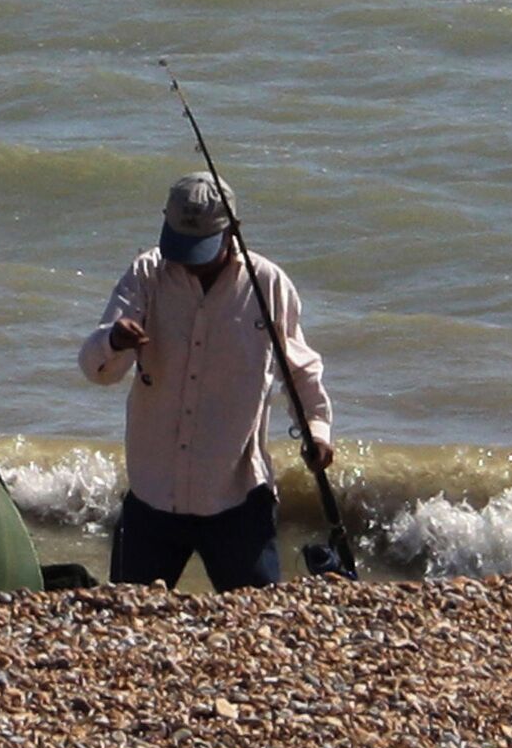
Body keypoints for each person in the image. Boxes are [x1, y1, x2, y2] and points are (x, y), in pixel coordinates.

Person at [76, 171, 333, 591]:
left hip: (237, 498)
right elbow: (96, 370)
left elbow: (301, 370)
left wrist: (317, 431)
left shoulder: (268, 285)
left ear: (233, 231)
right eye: (180, 245)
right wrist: (115, 340)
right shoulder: (146, 275)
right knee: (127, 615)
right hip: (152, 496)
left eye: (200, 248)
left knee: (257, 617)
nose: (189, 260)